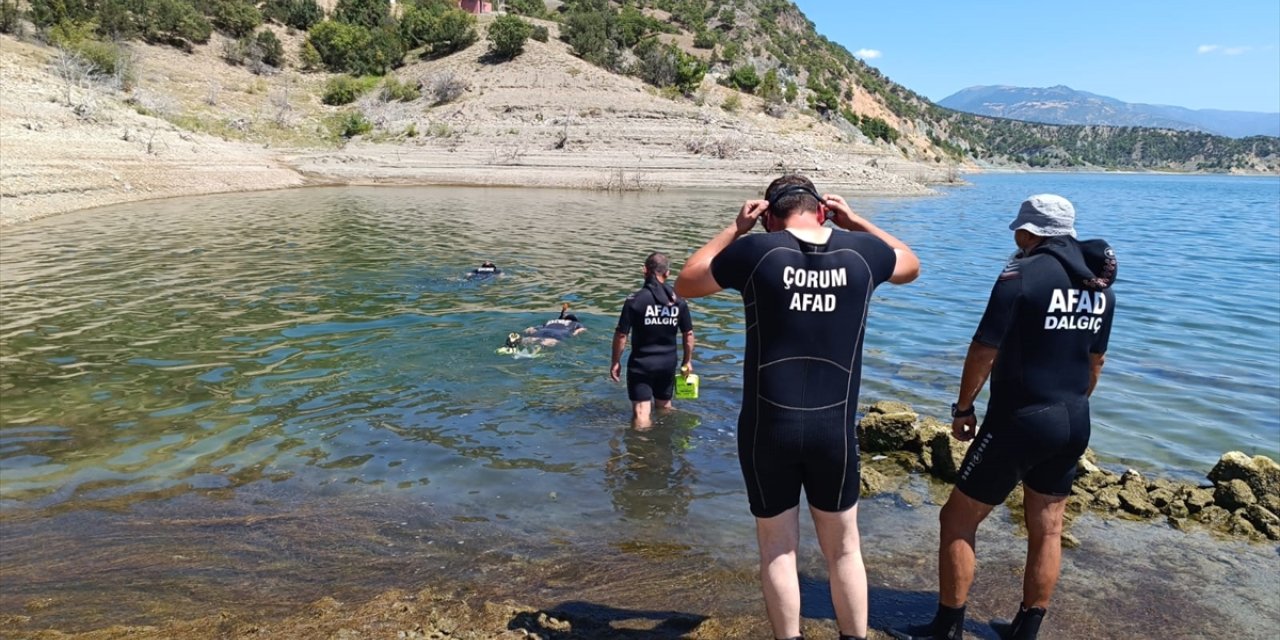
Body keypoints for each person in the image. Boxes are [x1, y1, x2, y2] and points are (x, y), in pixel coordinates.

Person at [675, 175, 920, 640]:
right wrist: (858, 221)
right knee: (845, 551)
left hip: (768, 428)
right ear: (822, 210)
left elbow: (687, 281)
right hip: (835, 431)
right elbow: (910, 264)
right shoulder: (862, 254)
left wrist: (735, 229)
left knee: (778, 551)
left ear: (767, 216)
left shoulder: (754, 253)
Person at [890, 195, 1117, 640]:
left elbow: (984, 348)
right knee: (1048, 529)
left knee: (957, 519)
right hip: (1074, 418)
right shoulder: (1099, 284)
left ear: (1029, 233)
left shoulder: (1021, 273)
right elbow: (1096, 362)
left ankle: (947, 629)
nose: (1015, 236)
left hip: (1021, 419)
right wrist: (1068, 407)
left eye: (1018, 229)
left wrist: (963, 407)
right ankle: (1024, 632)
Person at [610, 252, 695, 429]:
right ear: (668, 273)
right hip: (667, 363)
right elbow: (688, 335)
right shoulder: (679, 301)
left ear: (645, 270)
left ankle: (643, 451)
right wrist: (687, 361)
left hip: (642, 364)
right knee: (664, 408)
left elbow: (621, 335)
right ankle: (664, 447)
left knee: (642, 412)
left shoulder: (634, 300)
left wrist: (615, 362)